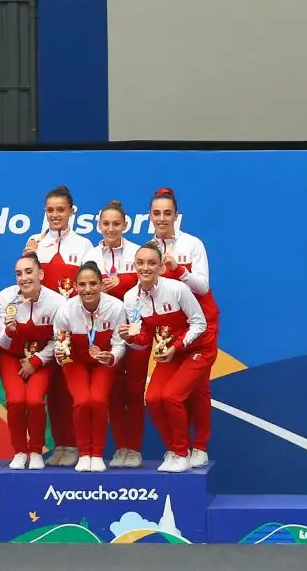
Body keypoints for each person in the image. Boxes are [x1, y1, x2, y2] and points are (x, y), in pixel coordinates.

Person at [148, 187, 220, 468]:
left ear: (177, 216)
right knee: (158, 396)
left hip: (200, 326)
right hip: (170, 329)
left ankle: (198, 446)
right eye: (157, 213)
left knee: (198, 390)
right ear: (150, 216)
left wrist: (178, 269)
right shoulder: (149, 248)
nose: (162, 219)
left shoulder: (192, 244)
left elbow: (203, 286)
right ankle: (178, 449)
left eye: (167, 213)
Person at [124, 242, 211, 471]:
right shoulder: (130, 298)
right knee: (152, 398)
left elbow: (199, 323)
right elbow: (142, 338)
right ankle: (174, 449)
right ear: (134, 266)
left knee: (172, 396)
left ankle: (182, 453)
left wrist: (179, 345)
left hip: (197, 350)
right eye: (141, 263)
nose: (146, 268)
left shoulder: (177, 289)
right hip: (170, 354)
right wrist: (130, 336)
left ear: (161, 267)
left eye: (152, 263)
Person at [24, 185, 91, 467]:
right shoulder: (36, 243)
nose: (55, 215)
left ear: (71, 212)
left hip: (73, 326)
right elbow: (26, 281)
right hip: (43, 327)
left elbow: (89, 283)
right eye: (50, 210)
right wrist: (28, 254)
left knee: (72, 388)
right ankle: (60, 445)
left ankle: (77, 445)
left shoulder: (84, 245)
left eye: (60, 210)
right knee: (53, 391)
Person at [51, 261, 126, 472]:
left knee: (99, 400)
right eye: (82, 284)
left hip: (104, 361)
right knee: (83, 401)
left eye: (93, 284)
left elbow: (120, 345)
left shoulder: (116, 307)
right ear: (74, 287)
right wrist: (59, 355)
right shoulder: (65, 310)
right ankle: (84, 453)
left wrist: (111, 357)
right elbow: (61, 345)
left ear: (102, 285)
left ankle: (97, 454)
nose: (87, 289)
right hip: (75, 361)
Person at [0, 253, 66, 469]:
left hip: (42, 358)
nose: (24, 278)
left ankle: (35, 450)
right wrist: (9, 331)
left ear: (41, 274)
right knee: (16, 401)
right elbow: (3, 343)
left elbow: (58, 341)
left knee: (34, 401)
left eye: (29, 271)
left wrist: (36, 361)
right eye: (19, 273)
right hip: (10, 357)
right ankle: (19, 451)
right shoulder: (6, 297)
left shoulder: (57, 302)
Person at [91, 201, 144, 465]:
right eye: (106, 224)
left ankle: (133, 449)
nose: (111, 229)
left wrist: (122, 281)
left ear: (125, 225)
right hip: (105, 331)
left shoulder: (137, 252)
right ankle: (120, 447)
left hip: (135, 328)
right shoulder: (90, 255)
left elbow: (149, 277)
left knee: (133, 391)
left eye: (116, 224)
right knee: (112, 391)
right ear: (99, 225)